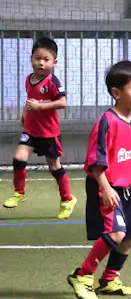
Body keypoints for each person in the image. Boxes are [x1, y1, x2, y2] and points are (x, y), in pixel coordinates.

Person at [66, 61, 131, 299]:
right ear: (116, 93)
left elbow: (129, 159)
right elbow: (96, 162)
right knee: (116, 233)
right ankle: (82, 275)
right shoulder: (107, 121)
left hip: (123, 187)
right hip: (104, 186)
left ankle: (109, 280)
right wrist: (106, 188)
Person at [2, 37, 77, 219]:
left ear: (54, 62)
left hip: (48, 133)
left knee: (54, 167)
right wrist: (25, 113)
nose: (41, 63)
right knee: (19, 158)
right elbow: (30, 99)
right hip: (30, 130)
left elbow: (62, 102)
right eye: (37, 58)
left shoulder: (53, 82)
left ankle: (67, 200)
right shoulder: (29, 79)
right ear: (31, 59)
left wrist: (40, 106)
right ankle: (19, 192)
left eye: (46, 59)